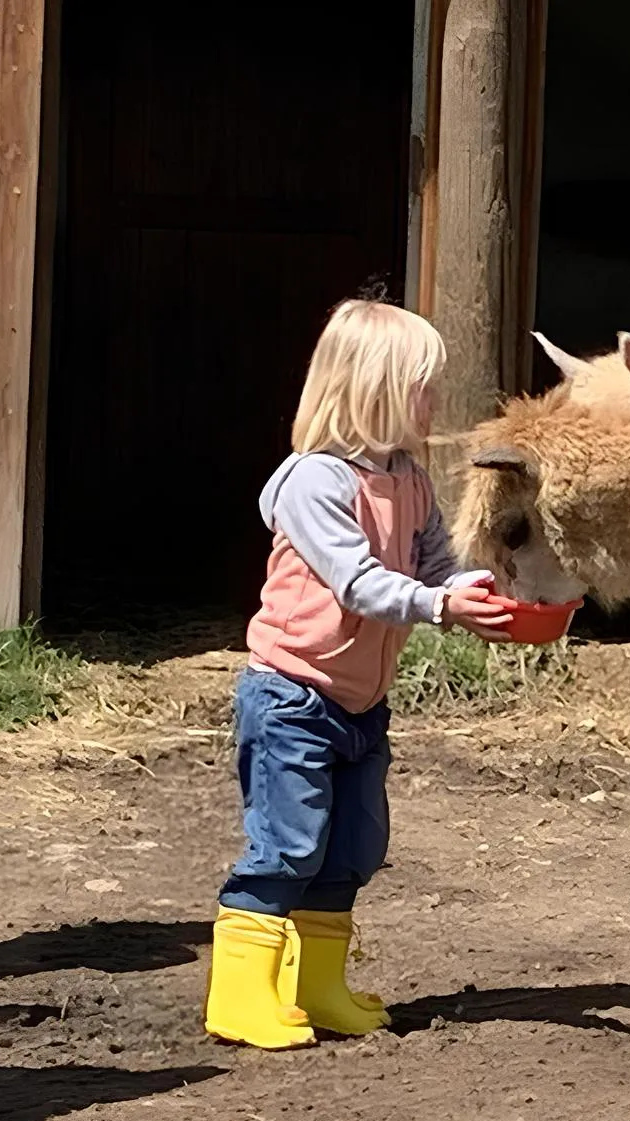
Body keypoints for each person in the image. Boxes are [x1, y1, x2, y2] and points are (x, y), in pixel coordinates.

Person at [204, 299, 511, 1049]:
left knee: (353, 849)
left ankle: (318, 988)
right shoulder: (313, 482)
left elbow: (435, 563)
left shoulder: (408, 478)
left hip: (359, 705)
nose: (435, 401)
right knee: (287, 846)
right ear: (374, 388)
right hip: (291, 697)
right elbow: (360, 583)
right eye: (423, 385)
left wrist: (489, 590)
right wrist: (443, 607)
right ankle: (239, 997)